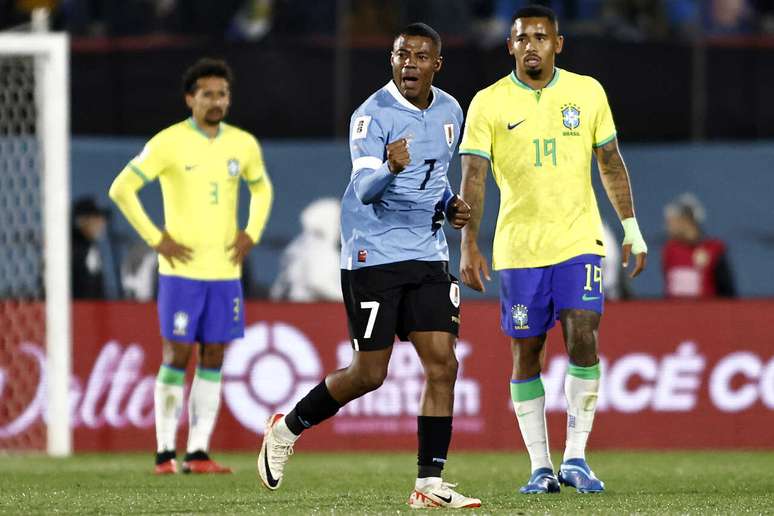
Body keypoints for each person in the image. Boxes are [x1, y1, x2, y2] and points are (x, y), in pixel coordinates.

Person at [256, 23, 481, 509]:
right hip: (372, 252)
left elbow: (436, 177)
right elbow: (364, 190)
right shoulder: (370, 115)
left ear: (436, 64)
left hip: (427, 251)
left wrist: (450, 206)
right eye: (402, 55)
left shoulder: (449, 110)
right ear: (392, 60)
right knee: (368, 373)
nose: (410, 64)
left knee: (443, 364)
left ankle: (428, 485)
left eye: (421, 57)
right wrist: (389, 167)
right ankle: (286, 427)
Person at [458, 5, 648, 495]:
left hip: (579, 239)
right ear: (510, 47)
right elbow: (473, 177)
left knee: (583, 334)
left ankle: (577, 458)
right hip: (519, 248)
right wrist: (469, 245)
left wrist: (631, 227)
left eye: (541, 37)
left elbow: (609, 161)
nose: (532, 46)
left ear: (558, 44)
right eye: (522, 38)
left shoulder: (586, 92)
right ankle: (540, 466)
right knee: (528, 352)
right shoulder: (488, 102)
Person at [108, 58, 273, 474]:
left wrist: (251, 231)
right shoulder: (168, 143)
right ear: (190, 98)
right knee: (177, 353)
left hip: (225, 272)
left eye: (222, 94)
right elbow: (121, 189)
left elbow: (262, 187)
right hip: (180, 271)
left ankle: (197, 452)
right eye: (207, 94)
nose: (216, 101)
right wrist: (156, 239)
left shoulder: (243, 144)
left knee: (214, 355)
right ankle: (165, 452)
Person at [269, 197, 343, 302]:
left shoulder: (299, 245)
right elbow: (318, 283)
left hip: (288, 307)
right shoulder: (321, 250)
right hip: (304, 309)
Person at [662, 193, 736, 298]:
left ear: (686, 220)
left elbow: (727, 291)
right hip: (675, 313)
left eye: (672, 220)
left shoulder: (714, 250)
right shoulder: (670, 251)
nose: (667, 226)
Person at [71, 196, 109, 299]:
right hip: (77, 311)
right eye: (96, 219)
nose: (102, 224)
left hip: (91, 311)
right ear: (81, 221)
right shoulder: (72, 249)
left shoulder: (90, 246)